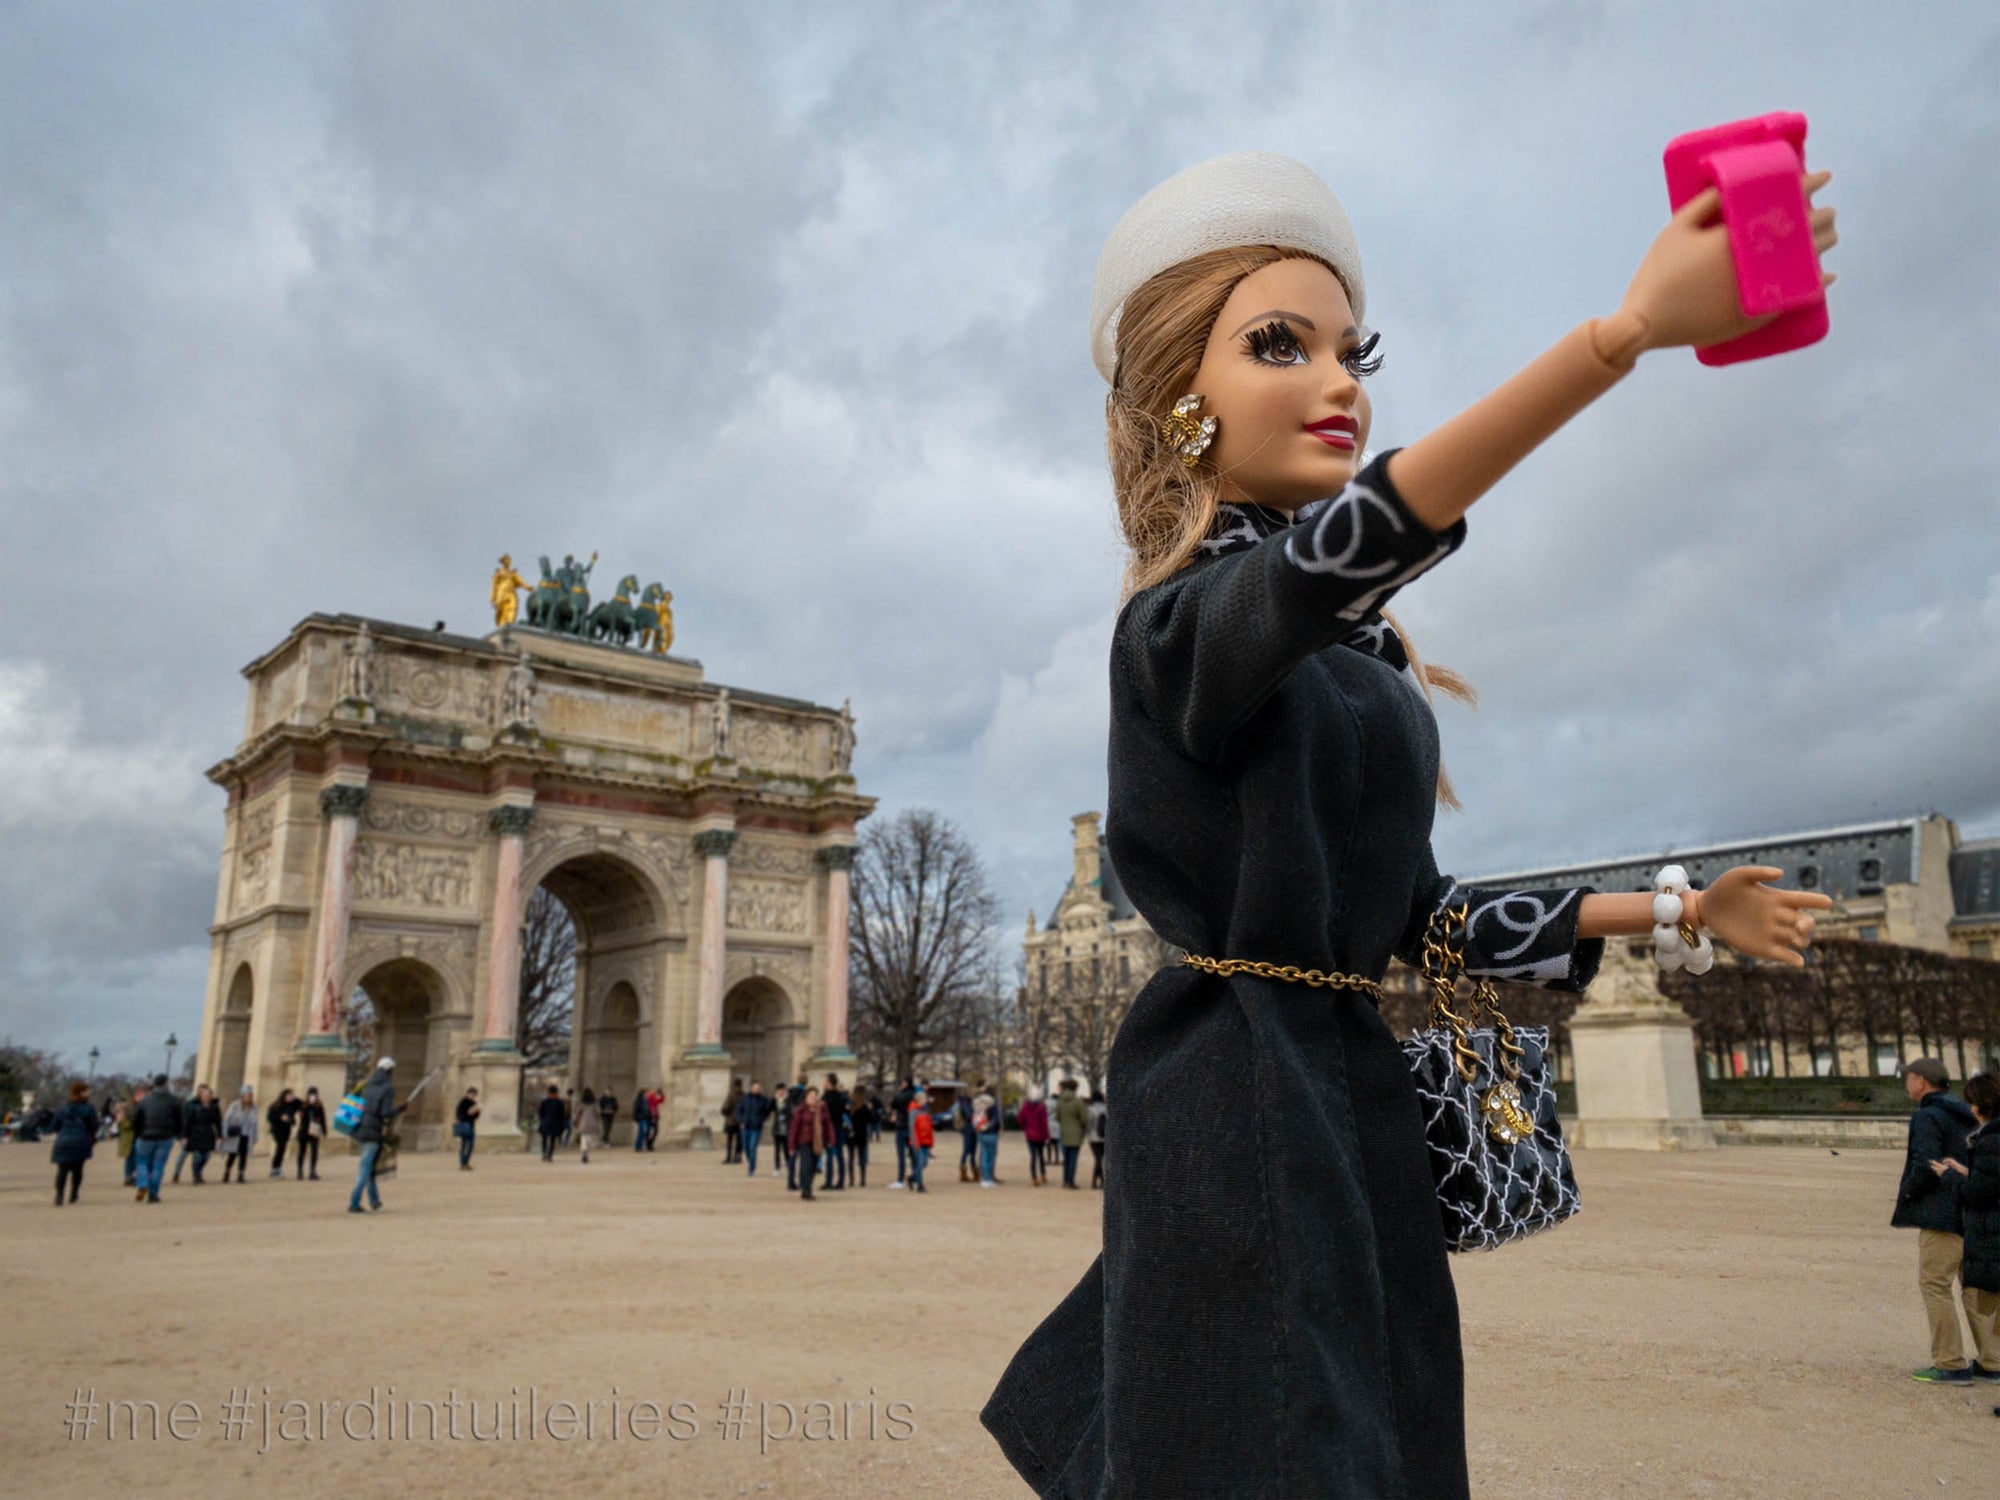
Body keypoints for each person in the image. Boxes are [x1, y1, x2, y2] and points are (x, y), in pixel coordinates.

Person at [981, 150, 1839, 1497]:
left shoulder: (1356, 656)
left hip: (1346, 1084)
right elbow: (1353, 544)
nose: (1342, 382)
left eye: (1350, 347)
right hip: (1233, 1090)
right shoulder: (1183, 630)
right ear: (1177, 402)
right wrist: (1614, 342)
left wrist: (1674, 908)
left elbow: (1421, 916)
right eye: (1281, 344)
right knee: (1275, 1444)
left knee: (1385, 1428)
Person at [1897, 1058, 1981, 1384]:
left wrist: (1907, 1195)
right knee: (1975, 1286)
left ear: (1921, 1082)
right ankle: (1992, 1360)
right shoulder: (1968, 1114)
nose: (1907, 1084)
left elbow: (1925, 1165)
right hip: (1972, 1209)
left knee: (1935, 1285)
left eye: (1909, 1078)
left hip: (1941, 1212)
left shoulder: (1927, 1116)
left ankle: (1950, 1362)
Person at [1933, 1071, 2000, 1385]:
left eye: (1973, 1103)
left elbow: (1980, 1194)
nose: (1970, 1109)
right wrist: (1964, 1170)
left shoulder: (1992, 1139)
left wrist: (1950, 1178)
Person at [347, 1058, 400, 1214]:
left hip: (361, 1128)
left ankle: (375, 1202)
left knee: (369, 1168)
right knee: (365, 1169)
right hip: (373, 1131)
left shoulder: (368, 1083)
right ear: (390, 1070)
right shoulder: (388, 1087)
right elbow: (385, 1113)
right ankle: (354, 1203)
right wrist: (399, 1109)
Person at [130, 1072, 184, 1204]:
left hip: (145, 1135)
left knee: (142, 1162)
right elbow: (180, 1120)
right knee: (158, 1165)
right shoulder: (174, 1101)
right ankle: (153, 1194)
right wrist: (178, 1134)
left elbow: (135, 1119)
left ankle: (142, 1184)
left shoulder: (145, 1101)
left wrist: (138, 1133)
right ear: (166, 1084)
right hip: (165, 1136)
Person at [51, 1081, 99, 1207]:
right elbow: (94, 1126)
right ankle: (73, 1194)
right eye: (86, 1090)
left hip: (64, 1140)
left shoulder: (63, 1107)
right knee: (77, 1170)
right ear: (81, 1092)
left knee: (62, 1170)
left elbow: (54, 1125)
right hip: (81, 1140)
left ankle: (59, 1195)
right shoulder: (89, 1108)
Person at [788, 1085, 831, 1202]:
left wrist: (831, 1139)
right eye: (811, 1096)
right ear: (806, 1097)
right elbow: (794, 1128)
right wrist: (791, 1145)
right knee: (806, 1165)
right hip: (804, 1141)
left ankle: (808, 1188)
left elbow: (828, 1125)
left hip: (817, 1142)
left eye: (815, 1096)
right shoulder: (800, 1110)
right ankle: (805, 1190)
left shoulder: (821, 1109)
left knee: (813, 1166)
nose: (813, 1098)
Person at [172, 1083, 218, 1183]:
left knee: (201, 1156)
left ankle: (198, 1174)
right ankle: (177, 1172)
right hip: (191, 1133)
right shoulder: (190, 1104)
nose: (204, 1094)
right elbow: (185, 1120)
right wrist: (183, 1135)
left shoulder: (211, 1106)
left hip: (204, 1134)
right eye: (201, 1092)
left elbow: (217, 1120)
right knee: (182, 1155)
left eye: (206, 1092)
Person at [221, 1086, 257, 1183]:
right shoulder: (234, 1105)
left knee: (243, 1156)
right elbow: (227, 1119)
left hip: (246, 1134)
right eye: (247, 1096)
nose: (249, 1098)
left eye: (250, 1096)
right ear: (242, 1096)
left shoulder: (253, 1108)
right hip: (236, 1133)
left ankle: (241, 1174)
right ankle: (227, 1172)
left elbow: (255, 1123)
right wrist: (224, 1132)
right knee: (232, 1155)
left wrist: (255, 1137)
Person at [736, 1082, 773, 1176]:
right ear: (751, 1088)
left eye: (758, 1088)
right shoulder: (744, 1099)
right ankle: (751, 1162)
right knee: (746, 1147)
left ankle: (751, 1169)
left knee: (752, 1147)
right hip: (745, 1126)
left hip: (756, 1127)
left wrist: (761, 1120)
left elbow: (767, 1111)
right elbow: (737, 1111)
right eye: (755, 1087)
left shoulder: (763, 1100)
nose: (757, 1089)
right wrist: (741, 1121)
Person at [822, 1073, 849, 1191]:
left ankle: (830, 1181)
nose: (824, 1083)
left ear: (829, 1083)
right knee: (838, 1155)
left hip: (832, 1128)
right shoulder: (839, 1096)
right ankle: (840, 1181)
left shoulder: (828, 1097)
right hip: (836, 1127)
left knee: (832, 1156)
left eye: (825, 1081)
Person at [888, 1076, 917, 1189]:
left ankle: (900, 1179)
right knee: (913, 1155)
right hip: (911, 1127)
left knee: (901, 1155)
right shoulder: (914, 1095)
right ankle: (915, 1176)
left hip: (901, 1126)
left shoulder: (900, 1096)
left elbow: (893, 1104)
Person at [1019, 1087, 1050, 1187]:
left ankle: (1034, 1177)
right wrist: (1047, 1135)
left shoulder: (1025, 1106)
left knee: (1033, 1156)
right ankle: (1043, 1174)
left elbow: (1020, 1119)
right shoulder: (1041, 1107)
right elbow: (1044, 1122)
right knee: (1041, 1155)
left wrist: (1025, 1128)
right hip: (1040, 1134)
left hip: (1030, 1134)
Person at [973, 1080, 1002, 1188]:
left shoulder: (977, 1102)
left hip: (980, 1131)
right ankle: (989, 1178)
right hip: (991, 1131)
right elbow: (996, 1118)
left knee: (984, 1155)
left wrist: (980, 1127)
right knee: (991, 1156)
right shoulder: (992, 1103)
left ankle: (984, 1178)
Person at [294, 1086, 327, 1179]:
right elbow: (300, 1115)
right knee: (302, 1152)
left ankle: (312, 1171)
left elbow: (323, 1118)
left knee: (314, 1152)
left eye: (315, 1095)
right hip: (304, 1131)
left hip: (314, 1130)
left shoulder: (319, 1106)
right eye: (311, 1095)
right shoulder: (303, 1105)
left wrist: (324, 1131)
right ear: (308, 1095)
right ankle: (300, 1171)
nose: (313, 1097)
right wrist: (306, 1107)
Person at [266, 1087, 299, 1179]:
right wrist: (280, 1117)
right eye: (289, 1095)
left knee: (282, 1149)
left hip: (286, 1130)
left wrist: (294, 1098)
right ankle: (274, 1169)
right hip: (277, 1129)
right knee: (279, 1148)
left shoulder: (291, 1106)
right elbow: (269, 1117)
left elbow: (299, 1104)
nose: (291, 1097)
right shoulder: (275, 1106)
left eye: (292, 1096)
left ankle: (278, 1168)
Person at [847, 1084, 876, 1188]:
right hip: (862, 1132)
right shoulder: (865, 1105)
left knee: (851, 1157)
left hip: (852, 1132)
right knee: (861, 1157)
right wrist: (870, 1110)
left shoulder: (851, 1104)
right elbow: (870, 1120)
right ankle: (863, 1180)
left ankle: (851, 1180)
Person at [906, 1088, 934, 1194]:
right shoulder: (913, 1111)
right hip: (917, 1141)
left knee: (924, 1163)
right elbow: (911, 1127)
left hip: (925, 1140)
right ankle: (920, 1185)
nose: (926, 1100)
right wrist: (914, 1141)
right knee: (920, 1161)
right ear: (919, 1099)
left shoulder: (924, 1110)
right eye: (924, 1098)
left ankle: (912, 1177)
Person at [116, 1086, 142, 1187]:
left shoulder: (126, 1109)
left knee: (132, 1158)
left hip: (132, 1136)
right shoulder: (124, 1110)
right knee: (132, 1158)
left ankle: (130, 1176)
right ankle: (129, 1176)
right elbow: (123, 1125)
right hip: (130, 1136)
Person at [453, 1087, 481, 1170]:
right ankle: (463, 1163)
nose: (473, 1096)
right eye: (472, 1094)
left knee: (470, 1145)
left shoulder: (473, 1102)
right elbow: (461, 1114)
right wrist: (470, 1112)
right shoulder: (463, 1102)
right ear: (468, 1094)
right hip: (465, 1125)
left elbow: (475, 1116)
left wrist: (477, 1112)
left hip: (471, 1126)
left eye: (474, 1095)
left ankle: (466, 1162)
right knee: (465, 1145)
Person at [537, 1085, 566, 1162]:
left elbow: (540, 1113)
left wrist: (542, 1119)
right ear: (556, 1093)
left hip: (545, 1122)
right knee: (552, 1140)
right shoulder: (560, 1102)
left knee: (544, 1139)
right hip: (555, 1123)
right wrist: (561, 1124)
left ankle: (544, 1153)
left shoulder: (545, 1102)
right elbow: (562, 1114)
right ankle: (550, 1155)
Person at [1087, 1089, 1108, 1190]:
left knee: (1097, 1159)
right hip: (1104, 1137)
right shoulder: (1106, 1108)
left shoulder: (1090, 1109)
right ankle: (1098, 1181)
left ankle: (1096, 1181)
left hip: (1093, 1137)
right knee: (1099, 1159)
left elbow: (1089, 1124)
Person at [722, 1079, 744, 1164]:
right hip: (740, 1121)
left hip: (731, 1121)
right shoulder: (744, 1095)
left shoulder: (731, 1095)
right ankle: (737, 1157)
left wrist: (726, 1114)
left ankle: (728, 1157)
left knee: (730, 1140)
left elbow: (725, 1107)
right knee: (739, 1140)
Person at [576, 1087, 599, 1163]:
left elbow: (577, 1113)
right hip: (592, 1122)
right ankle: (587, 1149)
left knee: (583, 1138)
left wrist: (575, 1121)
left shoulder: (582, 1104)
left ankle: (584, 1152)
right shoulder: (594, 1104)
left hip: (583, 1122)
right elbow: (597, 1113)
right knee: (590, 1138)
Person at [631, 1086, 652, 1151]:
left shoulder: (644, 1099)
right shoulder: (639, 1100)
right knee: (642, 1132)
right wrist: (635, 1117)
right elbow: (636, 1109)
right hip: (641, 1118)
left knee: (642, 1132)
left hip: (644, 1118)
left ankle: (639, 1146)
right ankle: (638, 1146)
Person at [645, 1086, 665, 1150]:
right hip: (650, 1117)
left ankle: (649, 1143)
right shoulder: (650, 1097)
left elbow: (661, 1100)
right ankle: (649, 1144)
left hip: (653, 1116)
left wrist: (661, 1094)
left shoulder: (652, 1097)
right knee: (652, 1131)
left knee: (654, 1131)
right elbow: (652, 1107)